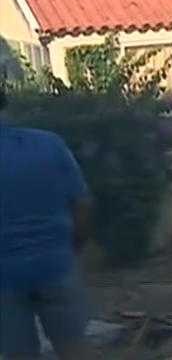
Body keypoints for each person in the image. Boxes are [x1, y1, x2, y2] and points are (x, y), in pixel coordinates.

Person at [0, 87, 94, 360]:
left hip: (4, 278)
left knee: (19, 353)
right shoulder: (49, 144)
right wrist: (74, 247)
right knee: (74, 345)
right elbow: (84, 202)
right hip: (56, 264)